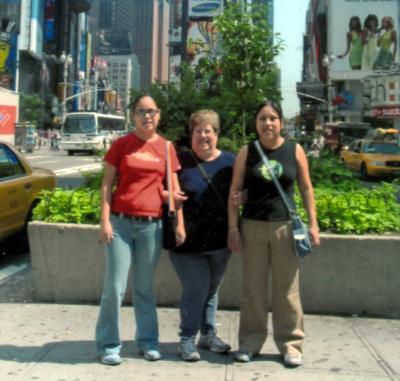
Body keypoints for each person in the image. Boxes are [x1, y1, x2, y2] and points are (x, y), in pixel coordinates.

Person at [227, 100, 320, 366]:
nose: (267, 123)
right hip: (253, 227)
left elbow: (306, 188)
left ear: (281, 122)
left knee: (287, 290)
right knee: (253, 289)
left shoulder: (295, 150)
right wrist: (233, 228)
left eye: (273, 118)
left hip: (285, 228)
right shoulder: (247, 152)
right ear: (255, 123)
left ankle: (291, 344)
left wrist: (313, 225)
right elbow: (234, 193)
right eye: (262, 119)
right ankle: (250, 342)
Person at [95, 95, 186, 366]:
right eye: (142, 111)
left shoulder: (167, 148)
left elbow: (175, 189)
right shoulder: (121, 145)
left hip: (152, 226)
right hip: (121, 225)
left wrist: (179, 223)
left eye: (152, 111)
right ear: (133, 116)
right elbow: (106, 184)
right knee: (114, 287)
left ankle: (148, 342)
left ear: (159, 115)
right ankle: (108, 345)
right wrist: (105, 220)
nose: (148, 116)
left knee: (145, 288)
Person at [169, 109, 235, 361]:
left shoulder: (230, 161)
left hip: (220, 241)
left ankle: (207, 335)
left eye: (208, 131)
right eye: (198, 131)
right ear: (191, 135)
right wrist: (170, 198)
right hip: (186, 241)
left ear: (217, 134)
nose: (203, 136)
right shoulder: (179, 161)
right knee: (196, 288)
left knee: (211, 290)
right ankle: (187, 338)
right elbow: (162, 190)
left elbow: (241, 193)